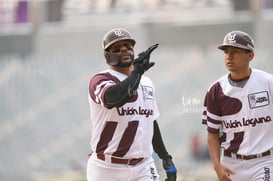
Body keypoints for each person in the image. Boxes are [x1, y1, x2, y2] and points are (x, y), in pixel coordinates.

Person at [87, 28, 177, 181]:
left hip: (143, 165)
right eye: (117, 48)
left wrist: (165, 157)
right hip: (107, 168)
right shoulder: (100, 80)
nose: (124, 50)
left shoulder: (146, 82)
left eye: (128, 46)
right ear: (107, 56)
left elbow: (150, 122)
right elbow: (113, 98)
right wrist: (136, 73)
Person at [202, 30, 273, 180]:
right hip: (231, 163)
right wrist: (217, 166)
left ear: (250, 55)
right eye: (226, 52)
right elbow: (212, 134)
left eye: (235, 51)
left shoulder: (268, 83)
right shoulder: (215, 90)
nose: (229, 56)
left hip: (264, 161)